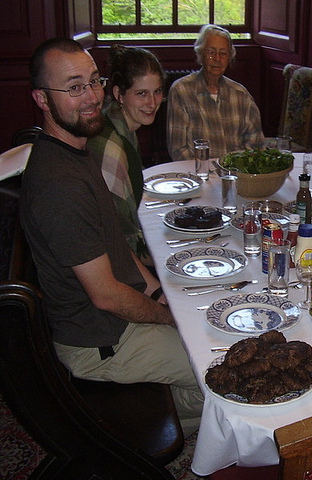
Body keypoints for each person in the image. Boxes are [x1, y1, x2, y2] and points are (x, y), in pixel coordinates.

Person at [21, 38, 203, 435]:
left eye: (93, 81)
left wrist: (158, 292)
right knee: (216, 374)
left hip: (113, 322)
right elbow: (105, 295)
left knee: (201, 329)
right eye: (73, 87)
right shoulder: (60, 184)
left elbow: (118, 247)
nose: (90, 97)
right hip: (100, 344)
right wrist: (168, 317)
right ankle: (130, 437)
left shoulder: (76, 150)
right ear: (41, 98)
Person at [87, 45, 165, 260]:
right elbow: (120, 237)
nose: (152, 103)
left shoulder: (120, 126)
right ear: (118, 94)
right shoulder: (112, 147)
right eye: (142, 94)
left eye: (157, 91)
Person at [167, 24, 264, 161]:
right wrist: (209, 172)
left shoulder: (241, 95)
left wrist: (235, 169)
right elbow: (178, 149)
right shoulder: (181, 90)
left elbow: (256, 144)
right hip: (198, 174)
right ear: (201, 54)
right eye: (211, 52)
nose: (217, 59)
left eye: (223, 53)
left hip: (235, 175)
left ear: (229, 57)